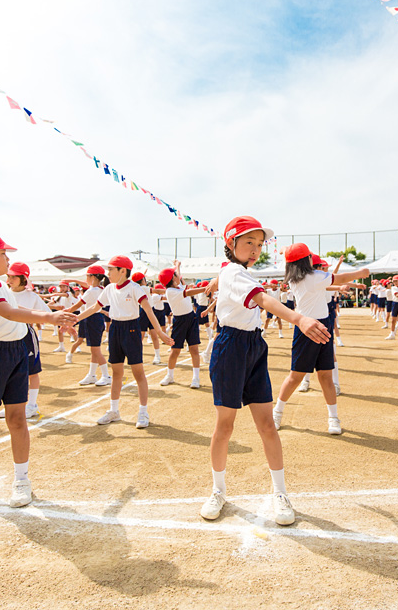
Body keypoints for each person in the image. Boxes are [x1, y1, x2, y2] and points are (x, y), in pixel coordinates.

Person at [200, 216, 330, 526]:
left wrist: (216, 280)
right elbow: (262, 298)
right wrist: (299, 319)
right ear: (230, 243)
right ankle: (218, 491)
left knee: (268, 426)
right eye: (249, 242)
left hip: (254, 346)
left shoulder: (234, 271)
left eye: (259, 244)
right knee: (225, 426)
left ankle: (280, 493)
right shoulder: (233, 272)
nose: (256, 249)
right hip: (230, 348)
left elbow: (237, 280)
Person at [0, 231, 75, 508]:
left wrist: (55, 318)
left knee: (18, 420)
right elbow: (8, 312)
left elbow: (17, 310)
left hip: (16, 351)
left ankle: (21, 481)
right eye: (3, 254)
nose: (8, 260)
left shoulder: (0, 284)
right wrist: (49, 317)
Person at [271, 243, 369, 435]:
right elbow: (341, 277)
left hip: (314, 326)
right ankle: (278, 412)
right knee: (304, 376)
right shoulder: (315, 277)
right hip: (310, 328)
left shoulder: (294, 277)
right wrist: (361, 272)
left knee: (313, 375)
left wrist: (284, 250)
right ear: (306, 260)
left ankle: (331, 417)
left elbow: (327, 281)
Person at [75, 256, 173, 428]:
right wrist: (74, 319)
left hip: (132, 329)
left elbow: (148, 310)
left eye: (111, 270)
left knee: (138, 373)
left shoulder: (135, 288)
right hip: (115, 329)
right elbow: (94, 308)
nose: (108, 273)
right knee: (116, 372)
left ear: (122, 271)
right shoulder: (109, 288)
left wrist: (160, 332)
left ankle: (143, 412)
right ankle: (114, 411)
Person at [0, 262, 49, 419]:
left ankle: (32, 405)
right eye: (9, 276)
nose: (10, 280)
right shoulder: (4, 293)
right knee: (9, 372)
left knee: (32, 371)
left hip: (26, 334)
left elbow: (46, 313)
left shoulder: (32, 296)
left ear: (23, 278)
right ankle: (11, 406)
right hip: (6, 334)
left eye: (14, 277)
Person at [157, 264, 210, 389]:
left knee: (194, 349)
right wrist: (206, 288)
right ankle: (170, 376)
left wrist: (177, 265)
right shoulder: (170, 291)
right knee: (175, 350)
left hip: (191, 319)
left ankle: (196, 378)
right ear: (172, 278)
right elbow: (189, 292)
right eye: (176, 275)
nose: (179, 276)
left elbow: (179, 276)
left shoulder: (177, 286)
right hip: (179, 322)